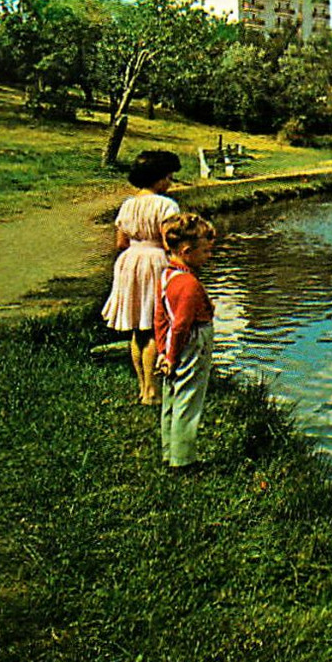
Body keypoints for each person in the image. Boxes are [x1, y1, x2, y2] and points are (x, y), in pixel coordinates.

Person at [101, 150, 182, 404]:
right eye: (168, 177)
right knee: (154, 327)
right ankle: (153, 392)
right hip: (155, 262)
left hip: (130, 262)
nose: (170, 182)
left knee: (138, 329)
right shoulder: (166, 206)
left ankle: (142, 387)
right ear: (158, 179)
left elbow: (120, 243)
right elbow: (170, 242)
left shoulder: (127, 205)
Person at [155, 212, 217, 470]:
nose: (209, 256)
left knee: (173, 396)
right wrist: (171, 356)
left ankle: (170, 452)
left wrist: (162, 350)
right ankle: (184, 461)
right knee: (188, 398)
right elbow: (181, 324)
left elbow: (161, 317)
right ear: (187, 250)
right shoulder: (188, 283)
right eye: (205, 251)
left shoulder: (167, 275)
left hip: (173, 342)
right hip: (193, 341)